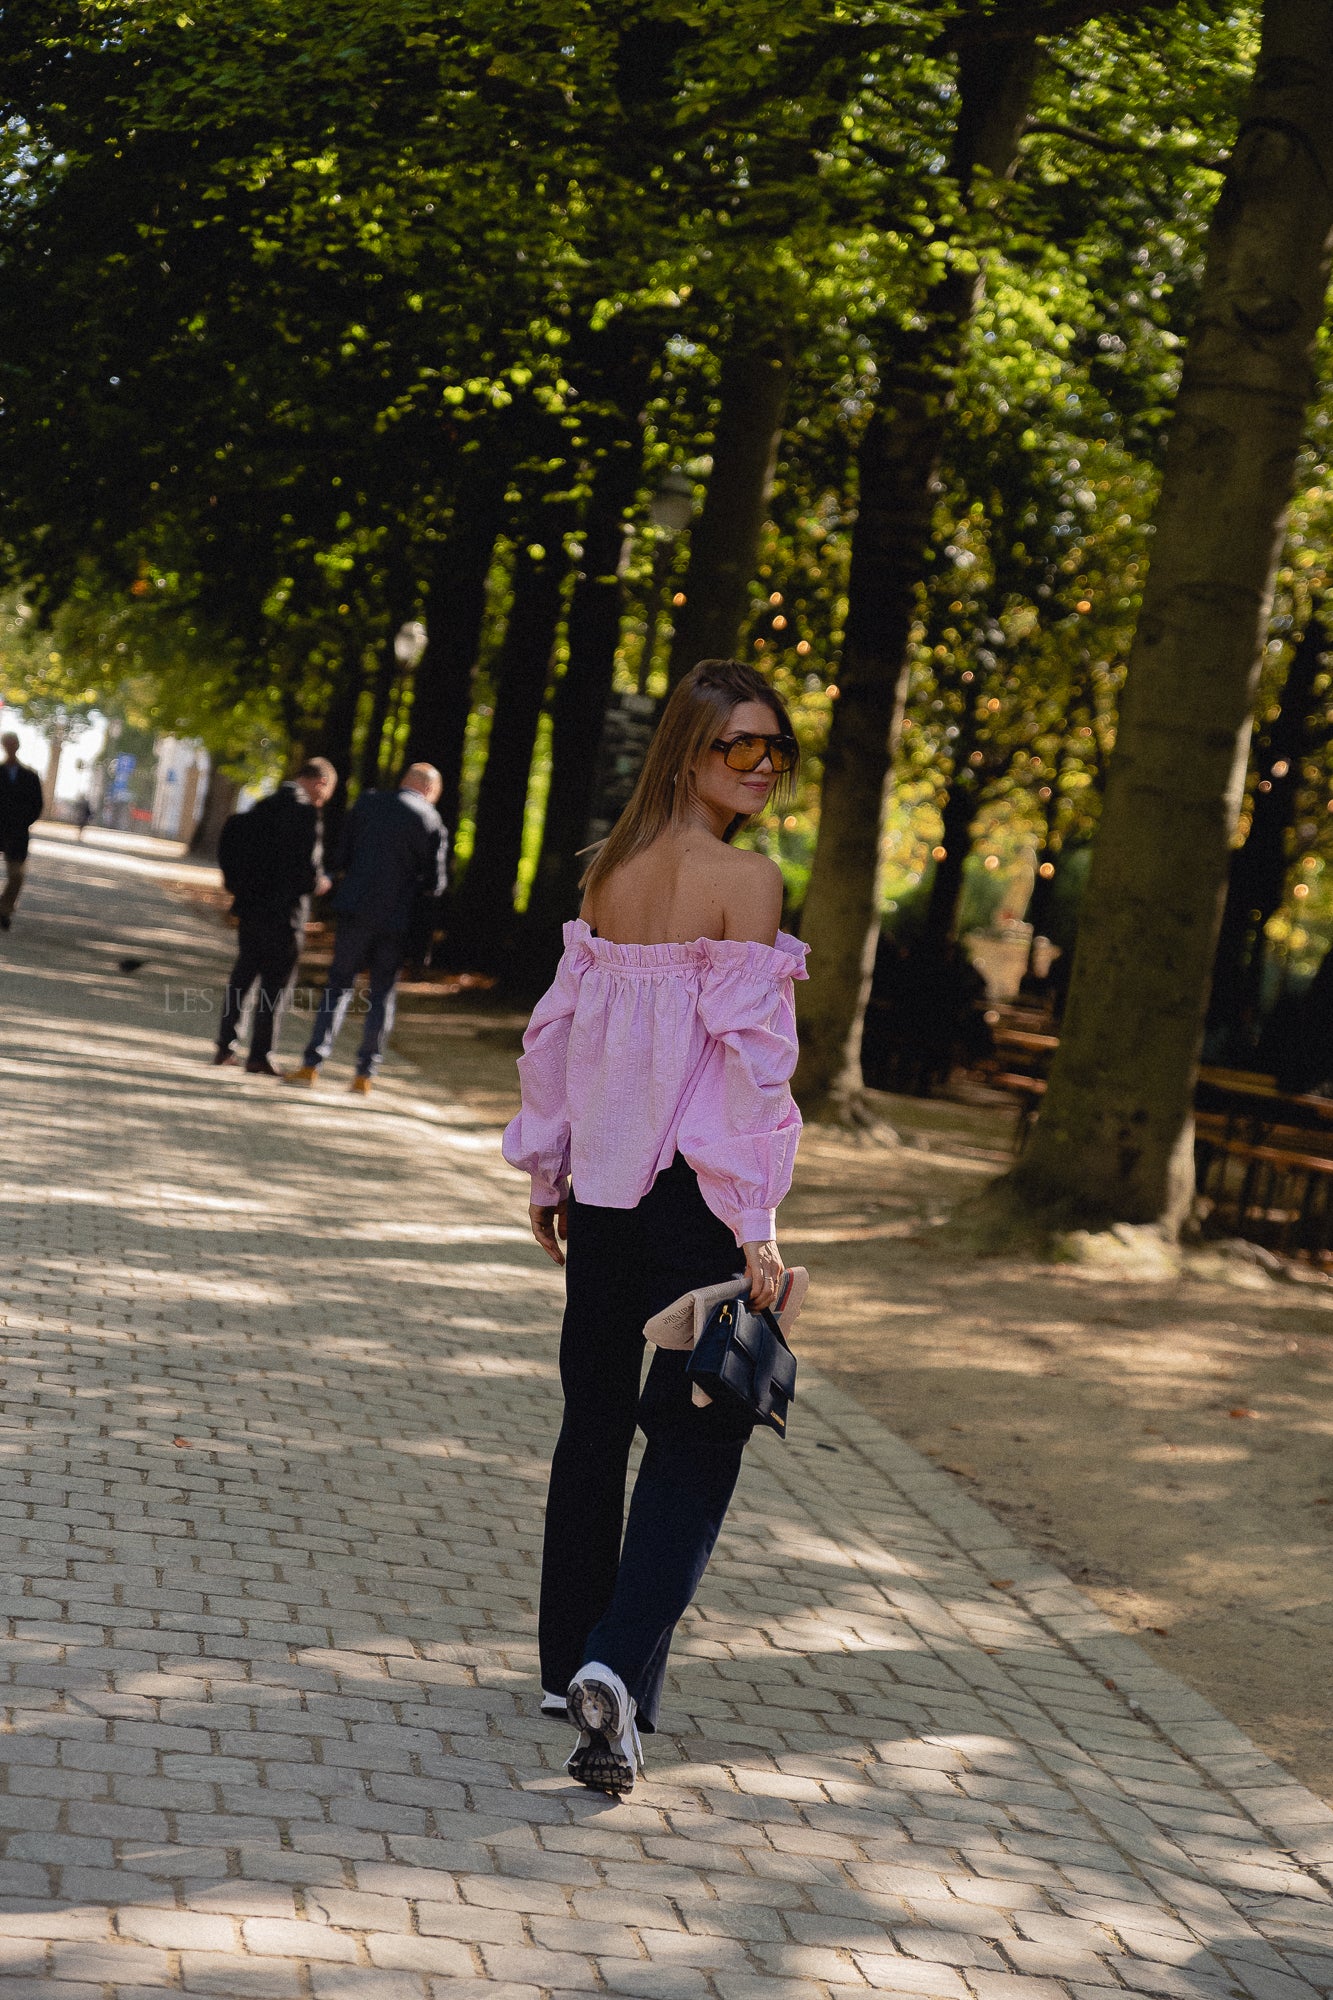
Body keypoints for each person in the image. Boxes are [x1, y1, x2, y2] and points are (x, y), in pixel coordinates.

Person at [502, 658, 805, 1797]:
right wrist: (757, 1218)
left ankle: (563, 1662)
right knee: (701, 1426)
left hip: (602, 1187)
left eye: (777, 748)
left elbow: (560, 1031)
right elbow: (748, 1071)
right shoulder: (745, 880)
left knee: (592, 1417)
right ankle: (613, 1671)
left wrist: (548, 1161)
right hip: (686, 1194)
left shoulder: (611, 874)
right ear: (687, 750)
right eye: (741, 745)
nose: (764, 764)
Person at [286, 762, 447, 1095]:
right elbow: (436, 883)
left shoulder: (368, 803)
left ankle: (312, 1064)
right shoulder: (432, 821)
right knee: (381, 995)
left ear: (404, 781)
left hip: (355, 910)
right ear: (430, 791)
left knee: (338, 985)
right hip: (397, 920)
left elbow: (341, 854)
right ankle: (364, 1075)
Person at [214, 758, 337, 1075]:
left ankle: (226, 1047)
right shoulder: (306, 814)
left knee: (242, 977)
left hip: (252, 908)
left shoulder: (262, 807)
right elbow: (306, 873)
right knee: (275, 987)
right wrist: (319, 883)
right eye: (325, 793)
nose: (322, 800)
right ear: (319, 782)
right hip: (286, 915)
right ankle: (259, 1055)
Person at [0, 732, 45, 931]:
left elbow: (37, 804)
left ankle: (4, 909)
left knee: (16, 876)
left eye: (13, 744)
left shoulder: (30, 776)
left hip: (18, 834)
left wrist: (23, 822)